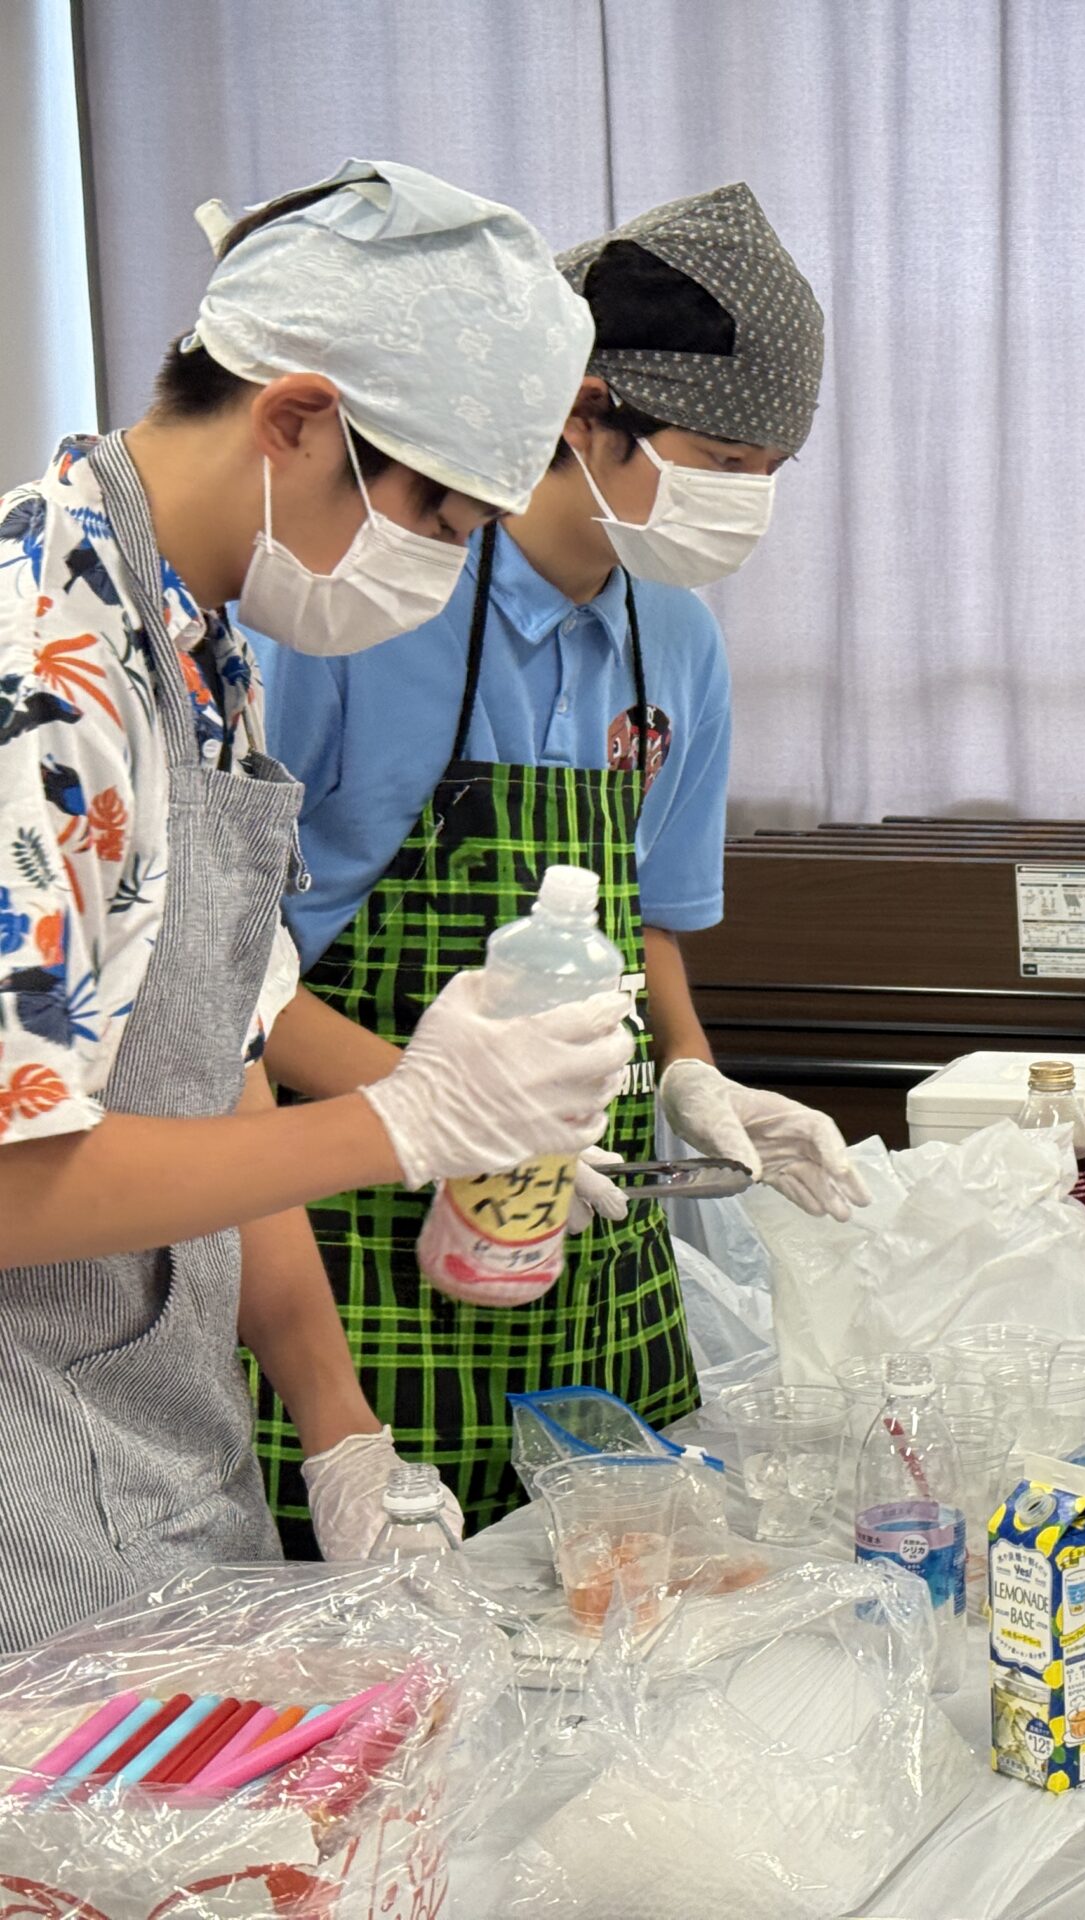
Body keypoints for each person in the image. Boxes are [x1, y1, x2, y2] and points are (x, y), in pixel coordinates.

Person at [0, 162, 630, 1647]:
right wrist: (406, 1127)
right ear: (292, 419)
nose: (447, 566)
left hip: (155, 1450)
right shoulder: (47, 667)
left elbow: (216, 1065)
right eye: (440, 517)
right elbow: (14, 1180)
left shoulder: (194, 638)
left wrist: (342, 1434)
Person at [245, 185, 866, 1546]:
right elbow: (231, 977)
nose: (745, 502)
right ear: (586, 412)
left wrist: (692, 1071)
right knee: (376, 1612)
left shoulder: (677, 639)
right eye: (720, 457)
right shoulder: (364, 597)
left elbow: (645, 915)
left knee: (621, 1596)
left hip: (589, 1211)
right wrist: (430, 1111)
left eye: (772, 471)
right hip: (352, 1199)